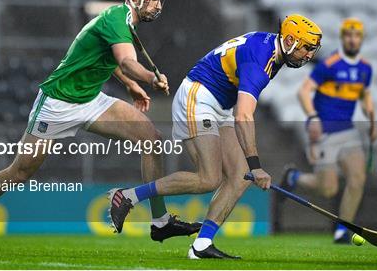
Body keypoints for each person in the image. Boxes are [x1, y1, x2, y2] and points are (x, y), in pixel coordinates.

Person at [0, 0, 201, 255]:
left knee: (151, 139)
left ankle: (160, 222)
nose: (158, 5)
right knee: (19, 172)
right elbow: (127, 61)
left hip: (91, 100)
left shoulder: (125, 22)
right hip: (58, 102)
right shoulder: (116, 19)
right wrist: (148, 78)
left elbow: (113, 62)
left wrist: (130, 86)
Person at [109, 15, 323, 258]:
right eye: (306, 48)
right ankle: (128, 196)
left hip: (218, 104)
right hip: (198, 97)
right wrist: (257, 166)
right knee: (208, 178)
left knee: (239, 177)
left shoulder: (271, 49)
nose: (308, 55)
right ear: (291, 41)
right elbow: (243, 116)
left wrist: (251, 168)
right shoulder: (260, 60)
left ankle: (201, 246)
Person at [281, 17, 377, 244]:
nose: (352, 40)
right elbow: (303, 92)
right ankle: (295, 177)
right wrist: (313, 118)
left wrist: (372, 120)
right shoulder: (329, 65)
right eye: (348, 35)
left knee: (357, 179)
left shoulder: (365, 69)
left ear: (361, 39)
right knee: (328, 189)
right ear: (343, 38)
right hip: (325, 132)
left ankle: (342, 230)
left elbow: (364, 96)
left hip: (348, 131)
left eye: (357, 36)